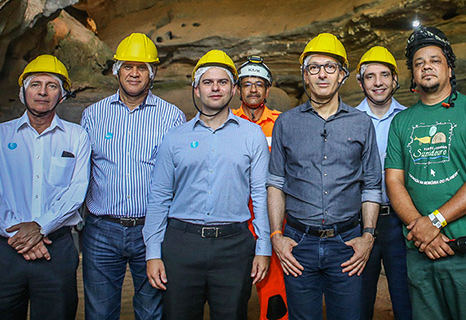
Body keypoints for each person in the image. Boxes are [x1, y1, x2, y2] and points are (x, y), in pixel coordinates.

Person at [144, 50, 271, 320]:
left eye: (223, 82)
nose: (215, 88)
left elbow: (261, 195)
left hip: (234, 247)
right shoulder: (174, 138)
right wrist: (153, 253)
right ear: (196, 89)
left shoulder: (252, 136)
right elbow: (159, 197)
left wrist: (263, 247)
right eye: (207, 82)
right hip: (181, 245)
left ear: (234, 89)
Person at [384, 26, 466, 320]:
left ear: (449, 68)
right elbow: (394, 181)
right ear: (413, 73)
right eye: (419, 62)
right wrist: (419, 227)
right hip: (421, 252)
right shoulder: (402, 123)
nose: (426, 67)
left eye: (435, 60)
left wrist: (434, 221)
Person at [267, 33, 382, 320]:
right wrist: (276, 236)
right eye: (314, 67)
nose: (322, 74)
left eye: (330, 67)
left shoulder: (361, 123)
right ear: (304, 75)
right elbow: (276, 183)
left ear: (342, 75)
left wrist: (367, 236)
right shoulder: (287, 123)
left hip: (346, 244)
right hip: (298, 244)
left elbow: (371, 185)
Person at [0, 55, 91, 320]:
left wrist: (39, 228)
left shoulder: (77, 137)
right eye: (35, 84)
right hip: (3, 251)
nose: (42, 91)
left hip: (55, 248)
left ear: (61, 96)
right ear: (22, 92)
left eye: (52, 86)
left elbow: (76, 191)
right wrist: (21, 236)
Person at [81, 33, 185, 320]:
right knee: (100, 313)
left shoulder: (172, 117)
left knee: (152, 312)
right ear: (117, 70)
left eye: (142, 68)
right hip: (102, 229)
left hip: (152, 230)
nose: (134, 73)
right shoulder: (93, 115)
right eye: (128, 66)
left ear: (153, 73)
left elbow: (178, 176)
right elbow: (82, 172)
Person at [354, 46, 412, 320]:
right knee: (359, 298)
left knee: (406, 296)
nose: (378, 82)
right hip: (359, 220)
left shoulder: (410, 119)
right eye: (370, 76)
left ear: (395, 79)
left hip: (400, 220)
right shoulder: (350, 120)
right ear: (360, 82)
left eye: (384, 75)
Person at [233, 56, 289, 320]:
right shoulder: (227, 122)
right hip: (234, 220)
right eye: (247, 84)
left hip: (272, 218)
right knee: (231, 293)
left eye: (259, 84)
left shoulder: (281, 124)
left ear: (268, 90)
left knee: (275, 295)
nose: (253, 90)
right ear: (238, 89)